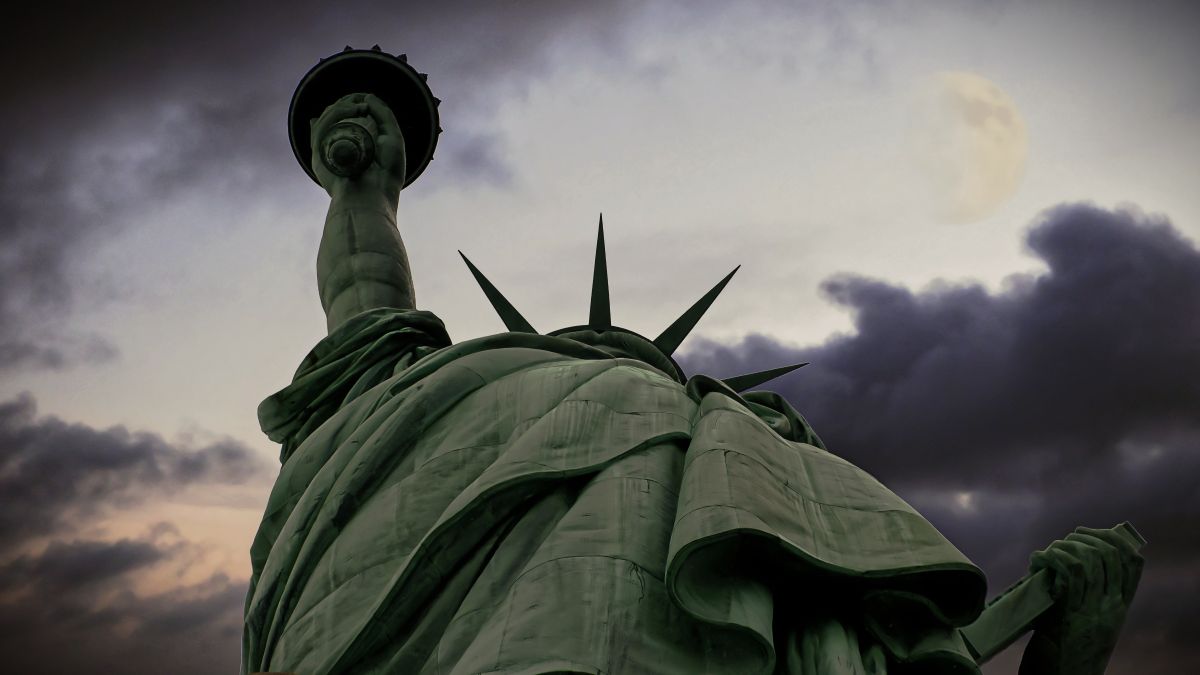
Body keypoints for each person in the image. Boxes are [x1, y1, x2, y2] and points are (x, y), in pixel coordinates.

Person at [242, 93, 1143, 675]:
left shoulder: (747, 466)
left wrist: (1069, 652)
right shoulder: (439, 406)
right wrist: (364, 187)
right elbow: (365, 302)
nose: (604, 351)